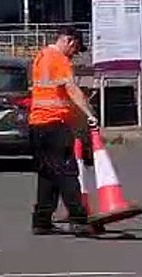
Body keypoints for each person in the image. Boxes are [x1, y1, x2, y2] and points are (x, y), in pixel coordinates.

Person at [28, 27, 100, 237]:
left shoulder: (41, 56)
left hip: (37, 124)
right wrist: (88, 114)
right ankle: (78, 219)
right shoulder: (59, 59)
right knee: (67, 172)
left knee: (47, 174)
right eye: (75, 48)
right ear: (69, 41)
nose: (74, 54)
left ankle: (41, 220)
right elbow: (71, 89)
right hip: (54, 123)